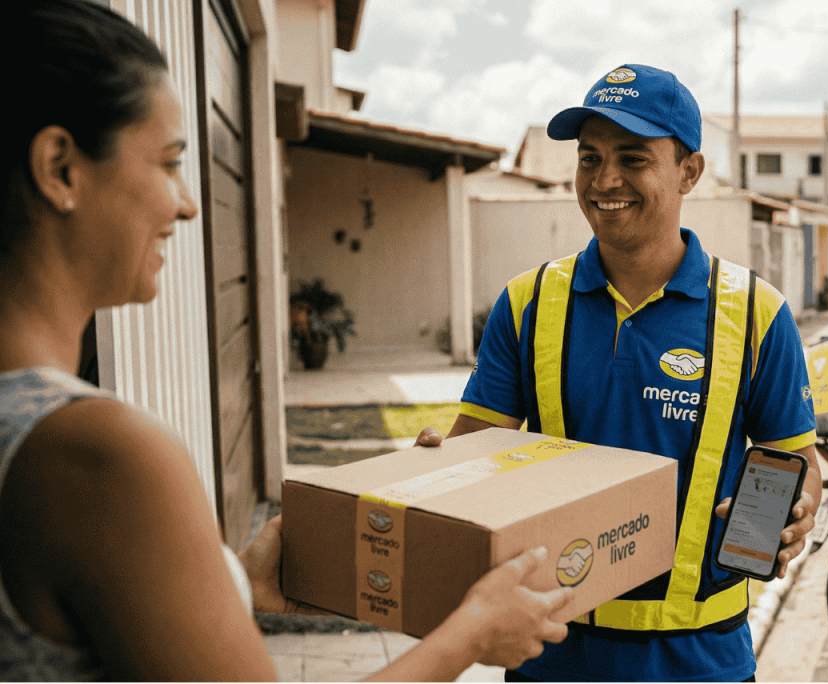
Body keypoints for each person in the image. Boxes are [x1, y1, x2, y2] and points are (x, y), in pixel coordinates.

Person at [0, 2, 570, 680]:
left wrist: (230, 585)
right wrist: (472, 632)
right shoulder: (101, 455)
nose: (186, 202)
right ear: (61, 168)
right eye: (171, 162)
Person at [420, 64, 822, 681]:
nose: (605, 180)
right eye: (589, 159)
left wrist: (792, 514)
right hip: (552, 653)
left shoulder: (756, 313)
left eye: (632, 159)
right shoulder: (526, 304)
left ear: (689, 171)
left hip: (702, 658)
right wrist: (433, 475)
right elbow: (475, 456)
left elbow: (796, 463)